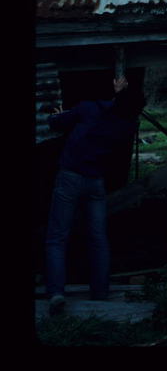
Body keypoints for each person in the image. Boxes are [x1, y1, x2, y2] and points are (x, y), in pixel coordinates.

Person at [45, 76, 145, 316]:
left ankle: (57, 292)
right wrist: (119, 95)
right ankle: (100, 293)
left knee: (57, 238)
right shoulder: (127, 125)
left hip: (70, 177)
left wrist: (60, 114)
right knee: (98, 239)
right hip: (96, 182)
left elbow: (54, 123)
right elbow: (121, 110)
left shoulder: (89, 108)